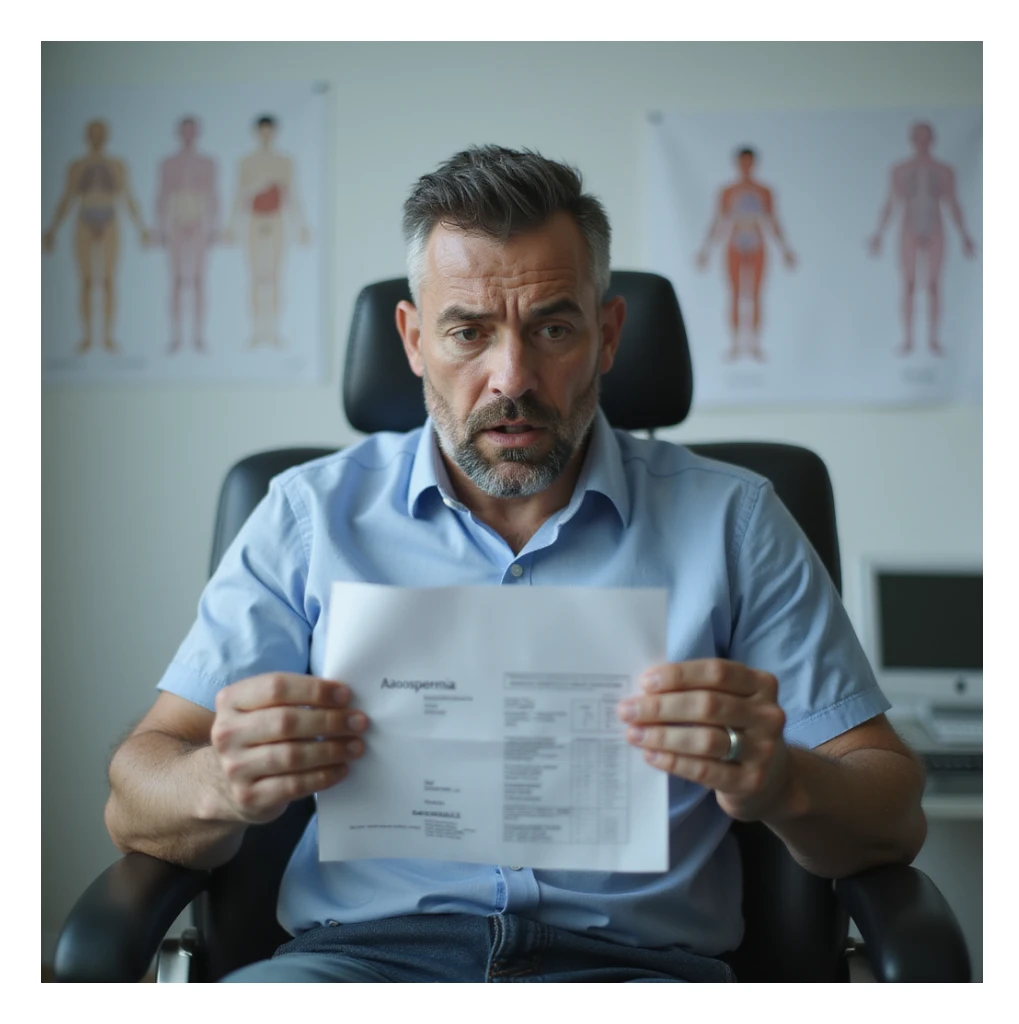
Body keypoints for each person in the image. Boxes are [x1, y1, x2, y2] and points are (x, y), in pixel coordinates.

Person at [104, 145, 926, 984]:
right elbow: (138, 787)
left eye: (554, 328)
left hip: (637, 978)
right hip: (353, 970)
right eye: (468, 331)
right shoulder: (306, 515)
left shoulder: (733, 520)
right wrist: (220, 783)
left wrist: (782, 779)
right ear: (415, 340)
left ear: (607, 336)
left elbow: (893, 810)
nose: (513, 377)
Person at [42, 119, 151, 354]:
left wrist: (142, 227)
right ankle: (87, 336)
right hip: (84, 219)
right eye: (93, 133)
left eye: (101, 133)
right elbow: (67, 198)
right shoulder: (77, 166)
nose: (97, 138)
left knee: (109, 280)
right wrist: (52, 229)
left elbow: (128, 197)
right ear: (86, 136)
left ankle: (108, 336)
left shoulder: (117, 165)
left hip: (110, 220)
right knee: (86, 281)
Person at [868, 121, 976, 357]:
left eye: (926, 136)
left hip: (935, 226)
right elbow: (891, 202)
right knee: (908, 284)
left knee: (934, 285)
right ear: (912, 140)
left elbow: (952, 202)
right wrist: (878, 234)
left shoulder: (944, 170)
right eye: (918, 136)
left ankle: (933, 340)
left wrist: (964, 235)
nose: (922, 141)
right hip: (909, 227)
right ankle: (908, 339)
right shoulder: (900, 169)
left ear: (932, 139)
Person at [695, 146, 796, 362]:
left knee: (756, 294)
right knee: (734, 294)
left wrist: (785, 249)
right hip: (734, 242)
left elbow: (773, 221)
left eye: (749, 162)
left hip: (757, 242)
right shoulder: (727, 191)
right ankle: (735, 344)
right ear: (737, 164)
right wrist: (706, 250)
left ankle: (755, 344)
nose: (746, 166)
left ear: (754, 163)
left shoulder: (764, 191)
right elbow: (718, 222)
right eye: (742, 162)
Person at [223, 114, 310, 348]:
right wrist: (231, 226)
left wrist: (301, 226)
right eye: (262, 130)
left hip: (277, 221)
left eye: (268, 130)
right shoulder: (247, 162)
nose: (265, 134)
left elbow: (293, 196)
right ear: (257, 132)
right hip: (254, 220)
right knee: (256, 277)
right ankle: (256, 331)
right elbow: (239, 196)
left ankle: (273, 331)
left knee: (274, 277)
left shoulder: (284, 162)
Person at [155, 116, 220, 354]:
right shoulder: (168, 163)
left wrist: (213, 227)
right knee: (177, 280)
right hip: (175, 223)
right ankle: (176, 336)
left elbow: (214, 195)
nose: (189, 135)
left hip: (200, 223)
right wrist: (160, 228)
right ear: (179, 133)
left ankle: (198, 336)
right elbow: (161, 195)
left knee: (200, 280)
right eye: (185, 130)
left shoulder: (208, 163)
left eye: (192, 131)